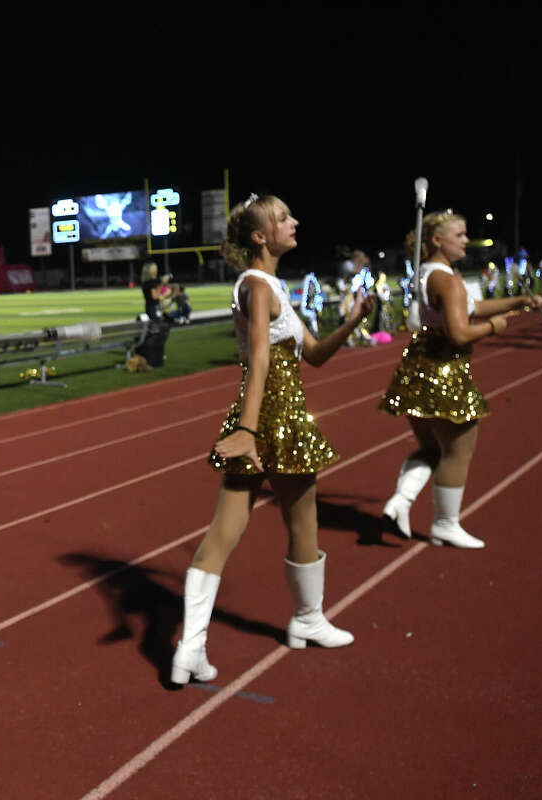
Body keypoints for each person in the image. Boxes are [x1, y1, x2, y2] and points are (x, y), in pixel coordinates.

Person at [169, 194, 374, 686]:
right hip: (271, 418)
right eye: (283, 218)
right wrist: (247, 430)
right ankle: (305, 619)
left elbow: (316, 355)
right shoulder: (258, 286)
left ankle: (189, 651)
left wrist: (353, 319)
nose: (294, 221)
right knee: (293, 523)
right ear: (260, 236)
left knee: (239, 529)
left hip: (269, 415)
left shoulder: (272, 285)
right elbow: (259, 358)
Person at [378, 211, 541, 547]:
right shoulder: (447, 279)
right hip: (444, 372)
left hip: (418, 369)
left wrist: (519, 301)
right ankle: (445, 523)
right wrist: (495, 327)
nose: (467, 240)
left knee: (431, 448)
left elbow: (470, 307)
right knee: (458, 450)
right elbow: (460, 331)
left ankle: (401, 501)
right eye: (461, 234)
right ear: (437, 240)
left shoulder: (427, 273)